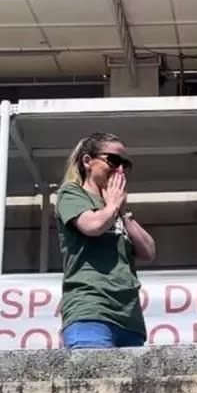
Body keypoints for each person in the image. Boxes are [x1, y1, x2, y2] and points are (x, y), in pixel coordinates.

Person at [55, 132, 156, 349]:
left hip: (129, 317)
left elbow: (148, 251)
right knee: (93, 381)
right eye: (113, 160)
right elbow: (92, 226)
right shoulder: (71, 194)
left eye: (125, 164)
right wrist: (111, 207)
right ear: (87, 161)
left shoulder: (117, 209)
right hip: (91, 310)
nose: (120, 170)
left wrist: (122, 211)